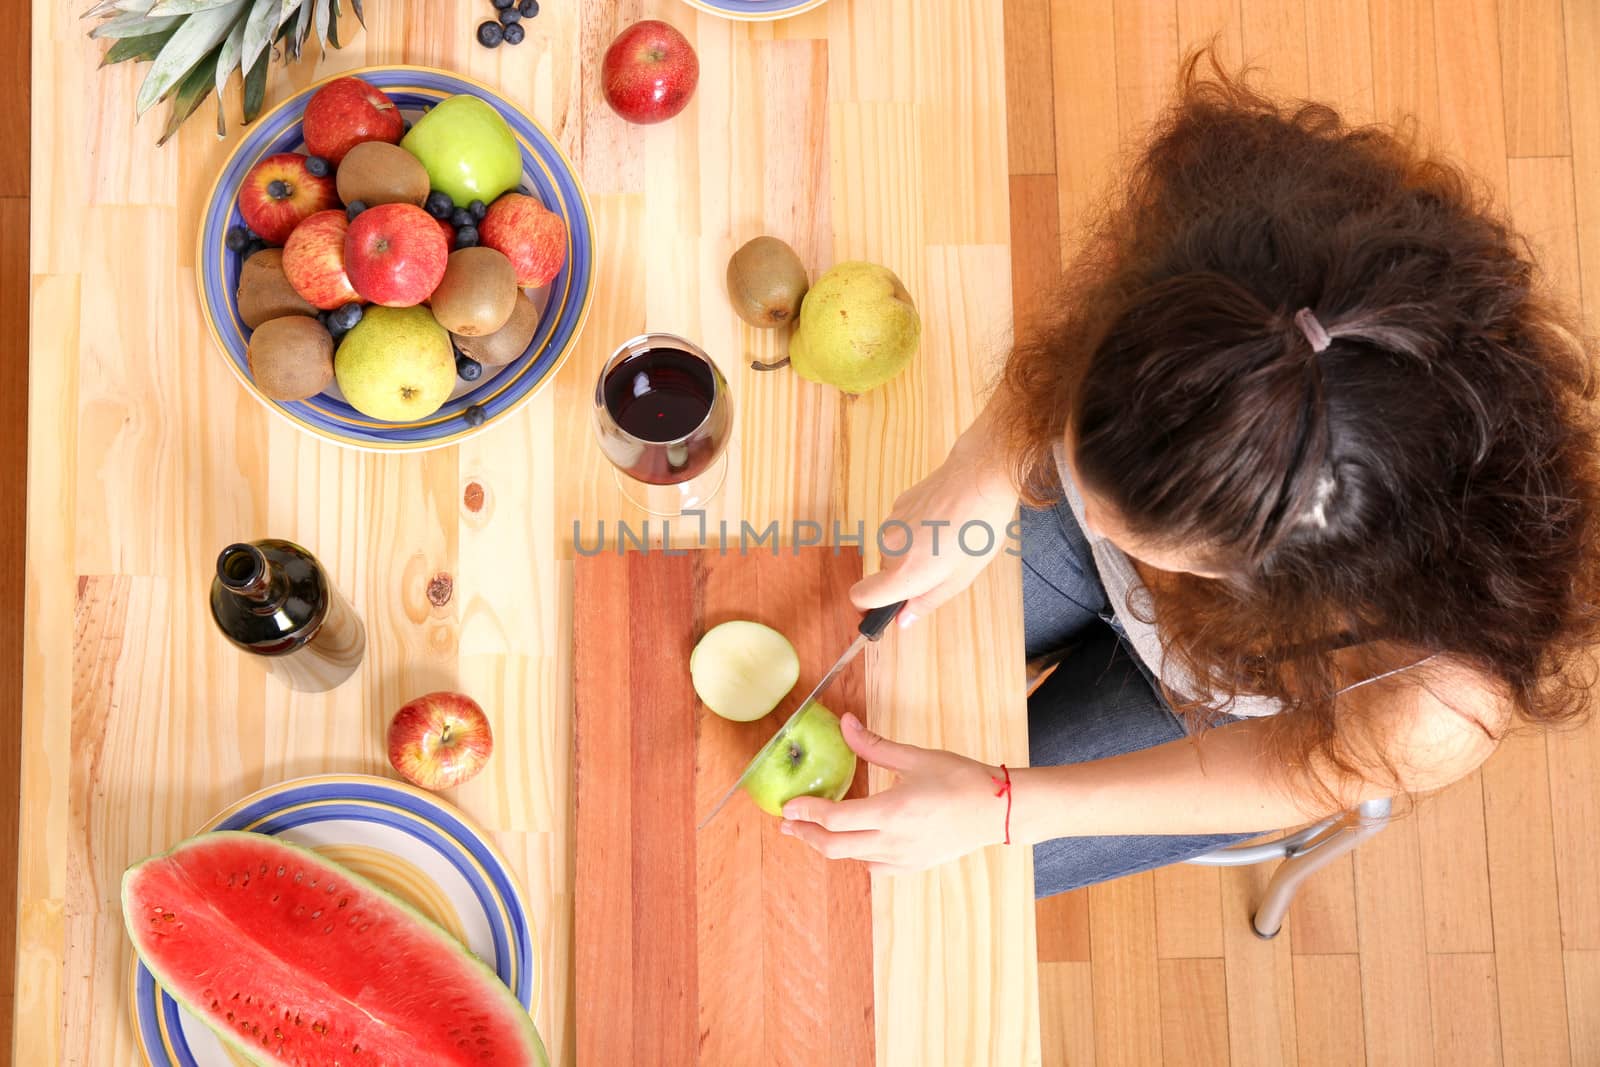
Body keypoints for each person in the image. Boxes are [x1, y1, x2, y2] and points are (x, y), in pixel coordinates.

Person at [776, 56, 1600, 895]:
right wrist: (985, 463)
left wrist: (1004, 808)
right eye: (1090, 487)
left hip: (1212, 714)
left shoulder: (1434, 698)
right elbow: (1110, 284)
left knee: (907, 884)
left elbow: (1318, 771)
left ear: (1288, 575)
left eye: (1132, 530)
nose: (1082, 521)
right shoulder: (1253, 230)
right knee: (822, 658)